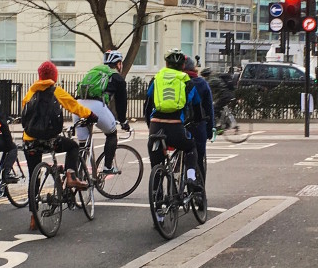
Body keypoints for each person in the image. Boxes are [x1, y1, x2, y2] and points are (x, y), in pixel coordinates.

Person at [21, 60, 92, 191]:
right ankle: (71, 176)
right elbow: (74, 106)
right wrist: (90, 115)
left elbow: (25, 115)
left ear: (40, 76)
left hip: (30, 140)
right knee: (73, 146)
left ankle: (33, 210)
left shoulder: (30, 93)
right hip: (50, 140)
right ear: (54, 76)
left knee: (33, 176)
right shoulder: (56, 91)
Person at [144, 48, 203, 192]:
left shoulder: (157, 79)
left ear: (166, 64)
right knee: (190, 147)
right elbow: (196, 106)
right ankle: (190, 177)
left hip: (155, 126)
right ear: (183, 65)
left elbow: (147, 105)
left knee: (156, 164)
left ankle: (157, 197)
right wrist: (198, 120)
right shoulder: (186, 81)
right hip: (175, 127)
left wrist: (149, 124)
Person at [74, 50, 130, 175]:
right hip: (96, 106)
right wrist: (123, 121)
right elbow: (121, 103)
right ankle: (108, 167)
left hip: (78, 106)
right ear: (118, 64)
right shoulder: (117, 77)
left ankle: (76, 176)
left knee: (83, 145)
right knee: (111, 134)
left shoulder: (94, 71)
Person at [183, 55, 214, 179]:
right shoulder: (201, 83)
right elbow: (208, 108)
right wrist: (210, 129)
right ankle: (199, 190)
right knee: (198, 158)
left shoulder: (177, 81)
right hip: (197, 125)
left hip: (178, 124)